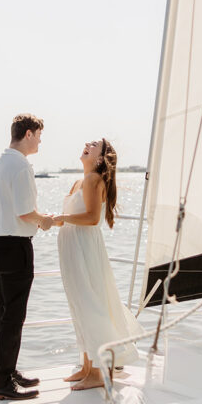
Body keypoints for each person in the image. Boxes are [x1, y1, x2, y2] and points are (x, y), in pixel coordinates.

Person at [53, 138, 139, 390]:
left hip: (83, 248)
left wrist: (61, 217)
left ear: (100, 158)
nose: (86, 145)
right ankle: (87, 366)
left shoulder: (93, 180)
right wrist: (54, 220)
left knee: (90, 305)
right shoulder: (80, 181)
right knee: (79, 305)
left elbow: (91, 218)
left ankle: (99, 373)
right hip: (73, 247)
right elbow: (73, 216)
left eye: (94, 145)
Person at [0, 113, 53, 401]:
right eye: (39, 135)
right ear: (28, 134)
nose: (40, 140)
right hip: (14, 248)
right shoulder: (21, 166)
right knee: (13, 317)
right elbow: (26, 212)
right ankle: (1, 382)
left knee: (4, 315)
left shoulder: (1, 163)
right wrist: (45, 220)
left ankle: (5, 372)